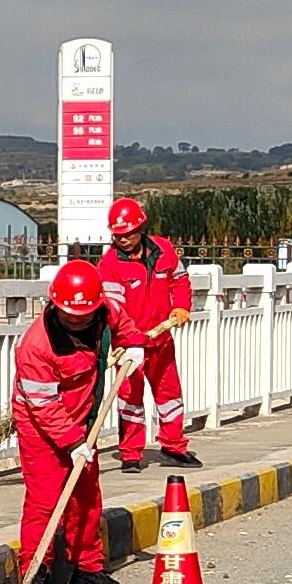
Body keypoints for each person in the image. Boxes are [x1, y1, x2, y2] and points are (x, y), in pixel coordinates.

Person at [10, 258, 126, 584]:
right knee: (45, 499)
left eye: (84, 314)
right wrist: (73, 441)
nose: (77, 319)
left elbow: (125, 325)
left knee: (87, 495)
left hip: (82, 417)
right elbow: (43, 406)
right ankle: (36, 572)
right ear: (55, 304)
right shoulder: (36, 346)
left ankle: (87, 567)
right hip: (40, 426)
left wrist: (133, 344)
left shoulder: (105, 310)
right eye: (69, 314)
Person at [92, 195, 198, 469]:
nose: (123, 239)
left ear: (141, 228)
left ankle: (173, 446)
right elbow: (114, 308)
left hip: (161, 341)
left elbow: (180, 282)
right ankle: (131, 454)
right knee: (129, 399)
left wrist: (181, 308)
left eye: (127, 233)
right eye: (117, 235)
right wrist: (131, 340)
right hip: (129, 345)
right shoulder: (109, 266)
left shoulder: (164, 250)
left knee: (170, 395)